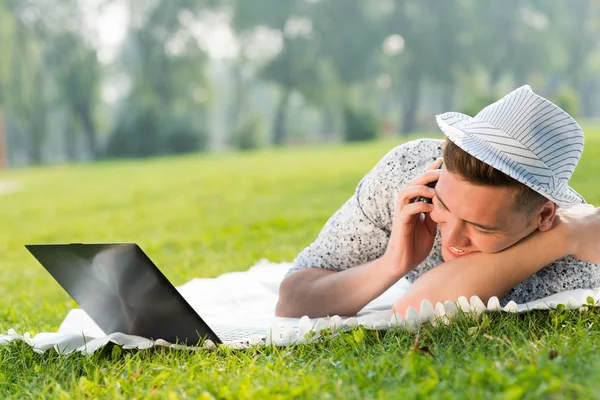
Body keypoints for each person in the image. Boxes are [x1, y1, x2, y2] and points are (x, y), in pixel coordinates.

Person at [276, 85, 600, 318]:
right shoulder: (407, 174)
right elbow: (292, 301)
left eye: (481, 227)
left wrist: (564, 235)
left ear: (544, 216)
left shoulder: (577, 253)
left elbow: (415, 308)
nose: (453, 239)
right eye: (444, 207)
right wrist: (392, 263)